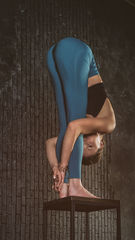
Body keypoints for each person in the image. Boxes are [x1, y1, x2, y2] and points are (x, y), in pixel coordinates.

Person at [45, 37, 116, 198]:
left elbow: (50, 143)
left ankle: (64, 186)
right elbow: (74, 128)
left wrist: (55, 167)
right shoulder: (109, 124)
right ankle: (74, 184)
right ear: (102, 143)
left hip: (53, 56)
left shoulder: (80, 133)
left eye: (84, 148)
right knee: (73, 127)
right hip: (77, 51)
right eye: (91, 147)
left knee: (67, 129)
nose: (86, 144)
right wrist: (64, 166)